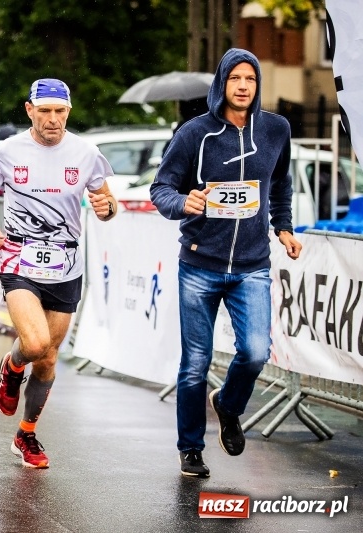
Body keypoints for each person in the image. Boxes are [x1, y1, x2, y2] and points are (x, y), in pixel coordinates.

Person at [149, 48, 302, 479]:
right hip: (199, 265)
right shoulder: (194, 133)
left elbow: (280, 183)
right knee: (195, 362)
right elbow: (161, 189)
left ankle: (229, 405)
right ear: (221, 83)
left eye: (250, 80)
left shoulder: (275, 129)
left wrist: (284, 228)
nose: (242, 86)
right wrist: (185, 202)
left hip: (252, 265)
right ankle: (190, 449)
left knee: (255, 352)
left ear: (257, 85)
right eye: (234, 78)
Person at [0, 78, 117, 469]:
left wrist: (106, 209)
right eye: (46, 111)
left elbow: (107, 200)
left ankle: (26, 433)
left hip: (66, 263)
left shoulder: (86, 153)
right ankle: (11, 366)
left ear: (69, 112)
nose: (53, 120)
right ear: (29, 109)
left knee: (49, 358)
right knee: (34, 344)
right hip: (19, 257)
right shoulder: (7, 150)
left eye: (61, 112)